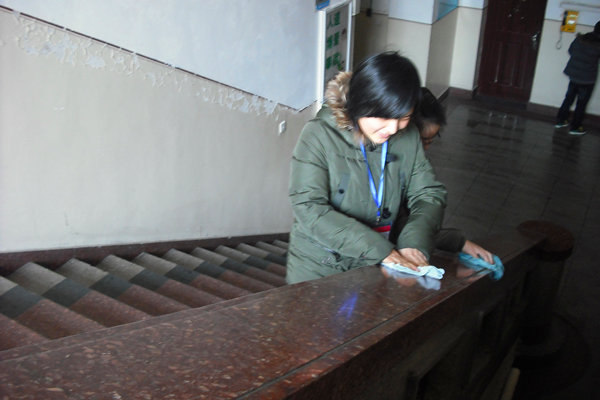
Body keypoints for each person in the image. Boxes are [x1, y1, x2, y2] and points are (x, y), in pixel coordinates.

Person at [286, 52, 447, 284]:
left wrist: (414, 243)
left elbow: (428, 194)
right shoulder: (319, 135)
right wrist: (380, 250)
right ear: (360, 103)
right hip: (319, 264)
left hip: (375, 263)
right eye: (384, 117)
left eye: (404, 116)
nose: (393, 128)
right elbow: (308, 207)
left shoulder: (409, 135)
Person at [412, 87, 493, 263]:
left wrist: (460, 243)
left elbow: (419, 220)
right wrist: (458, 242)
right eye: (422, 141)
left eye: (430, 142)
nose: (425, 149)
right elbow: (403, 227)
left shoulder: (418, 168)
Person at [555, 21, 600, 136]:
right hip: (587, 79)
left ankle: (560, 120)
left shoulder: (581, 39)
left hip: (574, 76)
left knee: (568, 98)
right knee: (581, 104)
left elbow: (570, 51)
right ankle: (575, 127)